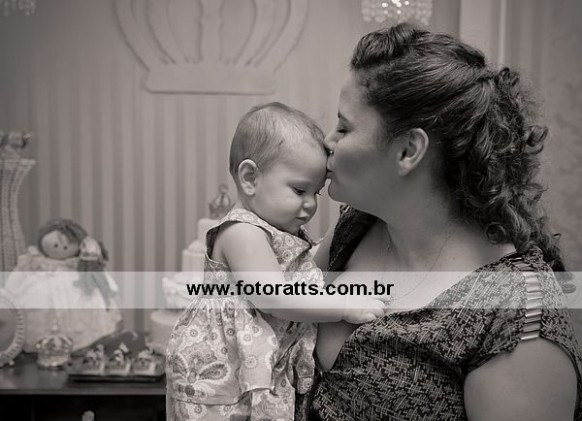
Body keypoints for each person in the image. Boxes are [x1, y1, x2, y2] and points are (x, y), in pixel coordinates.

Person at [299, 23, 582, 420]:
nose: (327, 141)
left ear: (408, 150)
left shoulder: (516, 317)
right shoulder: (357, 226)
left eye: (344, 128)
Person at [165, 102, 389, 421]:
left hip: (249, 371)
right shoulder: (242, 232)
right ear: (250, 178)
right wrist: (343, 306)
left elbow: (299, 271)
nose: (310, 205)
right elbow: (273, 296)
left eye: (316, 193)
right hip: (220, 376)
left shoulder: (277, 233)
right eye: (299, 190)